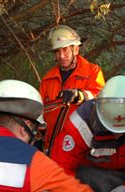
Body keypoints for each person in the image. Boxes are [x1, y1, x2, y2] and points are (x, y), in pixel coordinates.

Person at [50, 75, 125, 192]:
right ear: (100, 113)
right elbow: (60, 167)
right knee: (84, 177)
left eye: (123, 130)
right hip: (94, 178)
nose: (118, 136)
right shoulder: (81, 124)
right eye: (112, 130)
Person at [40, 24, 105, 152]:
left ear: (75, 49)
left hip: (81, 146)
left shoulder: (92, 72)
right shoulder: (48, 79)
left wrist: (80, 95)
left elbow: (101, 98)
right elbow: (39, 110)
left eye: (65, 50)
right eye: (57, 51)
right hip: (52, 146)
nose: (61, 56)